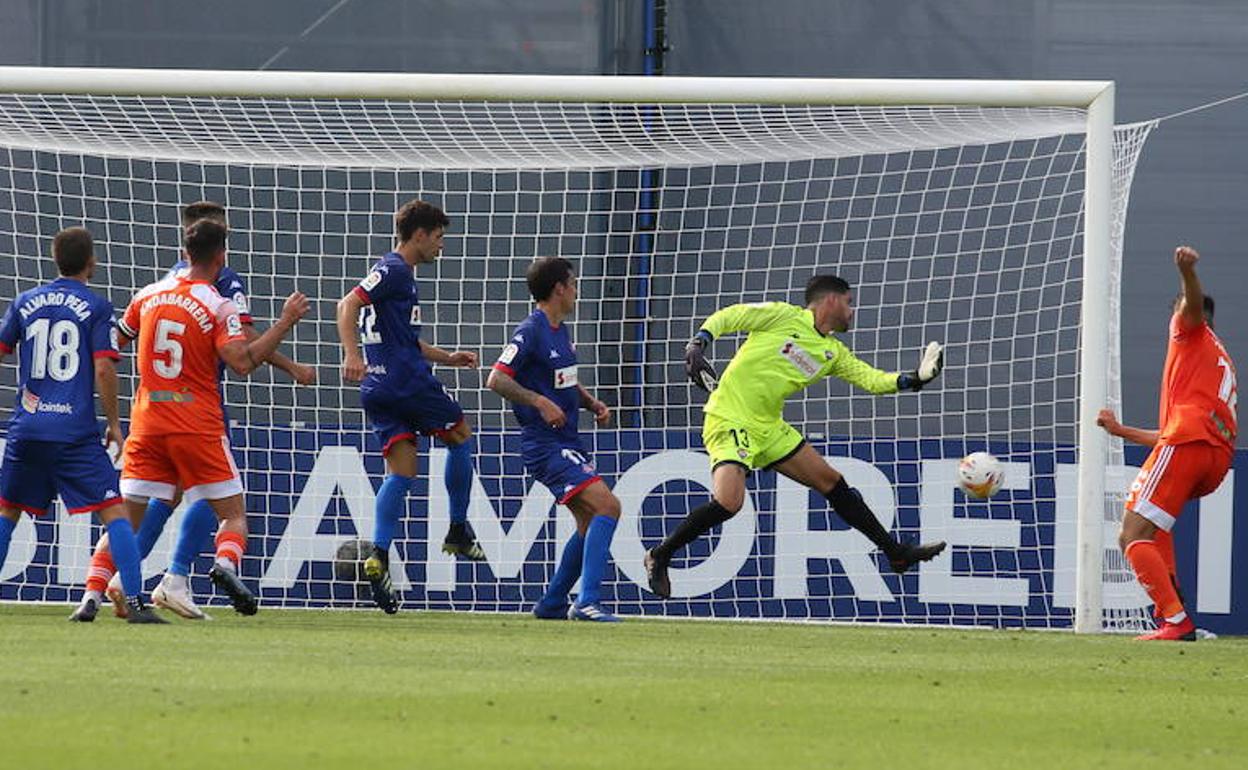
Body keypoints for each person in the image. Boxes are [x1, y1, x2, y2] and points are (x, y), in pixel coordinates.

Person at [644, 275, 948, 598]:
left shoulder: (832, 352)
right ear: (831, 301)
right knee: (730, 502)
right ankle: (660, 555)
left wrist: (915, 379)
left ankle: (895, 553)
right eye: (849, 302)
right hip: (730, 415)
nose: (852, 311)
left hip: (769, 427)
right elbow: (731, 315)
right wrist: (698, 342)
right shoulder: (783, 315)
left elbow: (871, 380)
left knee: (832, 482)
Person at [72, 218, 307, 619]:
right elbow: (243, 362)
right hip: (195, 422)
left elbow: (114, 342)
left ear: (184, 253)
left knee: (125, 519)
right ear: (222, 256)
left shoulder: (147, 294)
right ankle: (224, 566)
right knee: (232, 513)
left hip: (147, 421)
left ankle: (91, 595)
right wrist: (285, 321)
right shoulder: (218, 304)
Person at [0, 227, 163, 623]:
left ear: (56, 259)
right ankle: (138, 603)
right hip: (73, 432)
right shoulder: (96, 306)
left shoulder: (25, 302)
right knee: (114, 513)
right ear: (91, 262)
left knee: (7, 512)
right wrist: (114, 423)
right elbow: (105, 367)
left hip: (28, 430)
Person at [336, 199, 484, 615]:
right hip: (405, 381)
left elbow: (404, 339)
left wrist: (447, 357)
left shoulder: (401, 278)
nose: (442, 246)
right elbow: (347, 304)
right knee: (460, 435)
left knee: (401, 472)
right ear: (419, 235)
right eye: (438, 238)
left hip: (378, 388)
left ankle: (378, 556)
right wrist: (351, 354)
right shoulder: (396, 269)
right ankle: (457, 526)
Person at [1096, 245, 1236, 642]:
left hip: (1188, 445)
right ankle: (1173, 613)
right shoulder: (1216, 358)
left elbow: (1191, 304)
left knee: (1131, 534)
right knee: (1157, 530)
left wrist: (1187, 273)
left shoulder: (1189, 329)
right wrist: (1121, 431)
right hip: (1212, 459)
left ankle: (1176, 621)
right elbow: (1176, 436)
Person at [487, 257, 622, 622]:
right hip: (544, 444)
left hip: (568, 439)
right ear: (559, 289)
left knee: (589, 521)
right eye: (573, 284)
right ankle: (587, 601)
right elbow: (496, 379)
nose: (577, 291)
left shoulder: (560, 330)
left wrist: (590, 401)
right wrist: (539, 401)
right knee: (609, 507)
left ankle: (552, 602)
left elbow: (562, 379)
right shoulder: (530, 330)